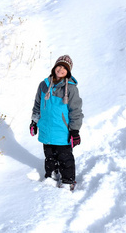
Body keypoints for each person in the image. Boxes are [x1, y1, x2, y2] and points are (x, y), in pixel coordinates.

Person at [30, 55, 83, 190]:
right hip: (46, 129)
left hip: (62, 131)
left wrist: (75, 130)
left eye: (64, 68)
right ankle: (51, 175)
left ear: (68, 72)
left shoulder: (70, 89)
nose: (60, 70)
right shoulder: (44, 85)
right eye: (59, 66)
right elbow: (37, 104)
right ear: (54, 67)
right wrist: (34, 122)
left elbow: (75, 110)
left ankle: (68, 181)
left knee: (65, 159)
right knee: (49, 157)